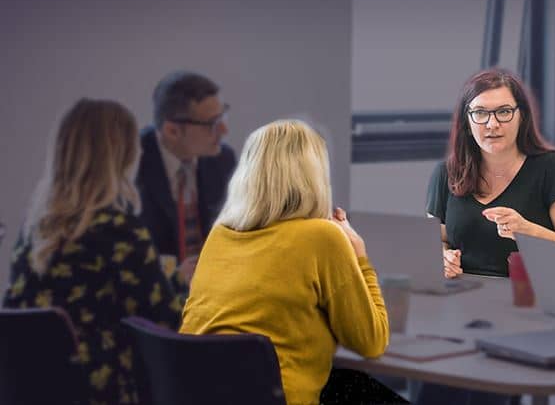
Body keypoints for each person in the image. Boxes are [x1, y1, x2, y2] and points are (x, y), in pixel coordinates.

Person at [180, 119, 404, 405]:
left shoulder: (220, 234)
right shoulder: (322, 237)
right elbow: (372, 342)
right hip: (275, 398)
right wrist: (360, 256)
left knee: (350, 382)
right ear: (313, 178)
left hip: (197, 394)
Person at [3, 99, 183, 405]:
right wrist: (183, 281)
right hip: (102, 389)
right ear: (120, 155)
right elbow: (166, 321)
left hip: (33, 391)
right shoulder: (118, 228)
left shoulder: (32, 230)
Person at [426, 68, 555, 278]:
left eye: (503, 112)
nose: (492, 124)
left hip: (532, 299)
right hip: (461, 295)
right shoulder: (446, 173)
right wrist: (443, 258)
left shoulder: (554, 168)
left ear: (522, 117)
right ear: (467, 122)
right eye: (480, 113)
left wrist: (528, 231)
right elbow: (435, 241)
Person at [135, 71, 236, 268]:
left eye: (223, 117)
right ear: (172, 131)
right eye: (212, 124)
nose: (224, 130)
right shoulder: (134, 165)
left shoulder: (223, 160)